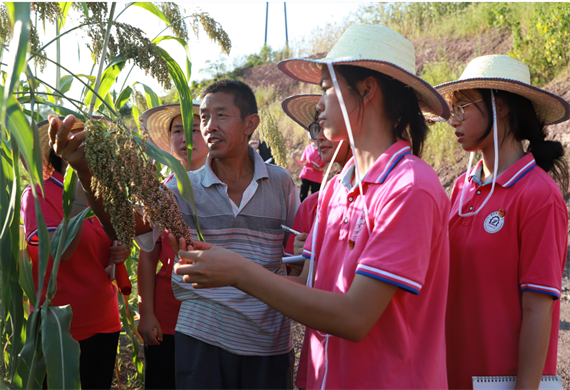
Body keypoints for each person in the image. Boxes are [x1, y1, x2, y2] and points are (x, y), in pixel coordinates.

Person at [170, 24, 452, 390]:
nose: (318, 105)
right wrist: (227, 270)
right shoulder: (336, 189)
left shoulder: (410, 188)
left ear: (367, 90)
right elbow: (307, 285)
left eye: (327, 90)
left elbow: (354, 317)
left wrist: (239, 271)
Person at [47, 79, 299, 390]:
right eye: (204, 117)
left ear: (251, 124)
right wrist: (86, 171)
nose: (209, 126)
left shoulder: (280, 184)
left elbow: (296, 261)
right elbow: (124, 226)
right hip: (201, 338)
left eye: (221, 115)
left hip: (267, 340)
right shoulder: (180, 186)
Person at [436, 55, 569, 390]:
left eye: (464, 107)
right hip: (451, 375)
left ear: (501, 106)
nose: (455, 120)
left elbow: (539, 310)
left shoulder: (539, 195)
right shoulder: (462, 189)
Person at [21, 118, 130, 390]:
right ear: (58, 152)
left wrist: (119, 255)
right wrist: (79, 187)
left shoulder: (104, 197)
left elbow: (104, 268)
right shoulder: (37, 195)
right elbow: (60, 253)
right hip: (61, 331)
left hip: (105, 321)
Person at [282, 93, 352, 390]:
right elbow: (299, 281)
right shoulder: (314, 205)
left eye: (324, 125)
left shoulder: (405, 190)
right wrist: (302, 260)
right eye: (314, 129)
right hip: (319, 365)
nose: (319, 137)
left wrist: (238, 273)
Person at [137, 102, 207, 390]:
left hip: (213, 317)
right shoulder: (160, 193)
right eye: (178, 130)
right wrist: (147, 312)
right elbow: (147, 257)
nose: (185, 138)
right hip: (168, 318)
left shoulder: (228, 188)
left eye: (193, 129)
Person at [293, 133, 325, 201]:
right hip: (306, 175)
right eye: (309, 135)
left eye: (311, 134)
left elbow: (328, 162)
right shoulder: (307, 148)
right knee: (302, 196)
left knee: (314, 199)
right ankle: (301, 211)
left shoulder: (323, 148)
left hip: (317, 177)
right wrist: (295, 158)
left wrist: (321, 168)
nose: (310, 136)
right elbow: (302, 162)